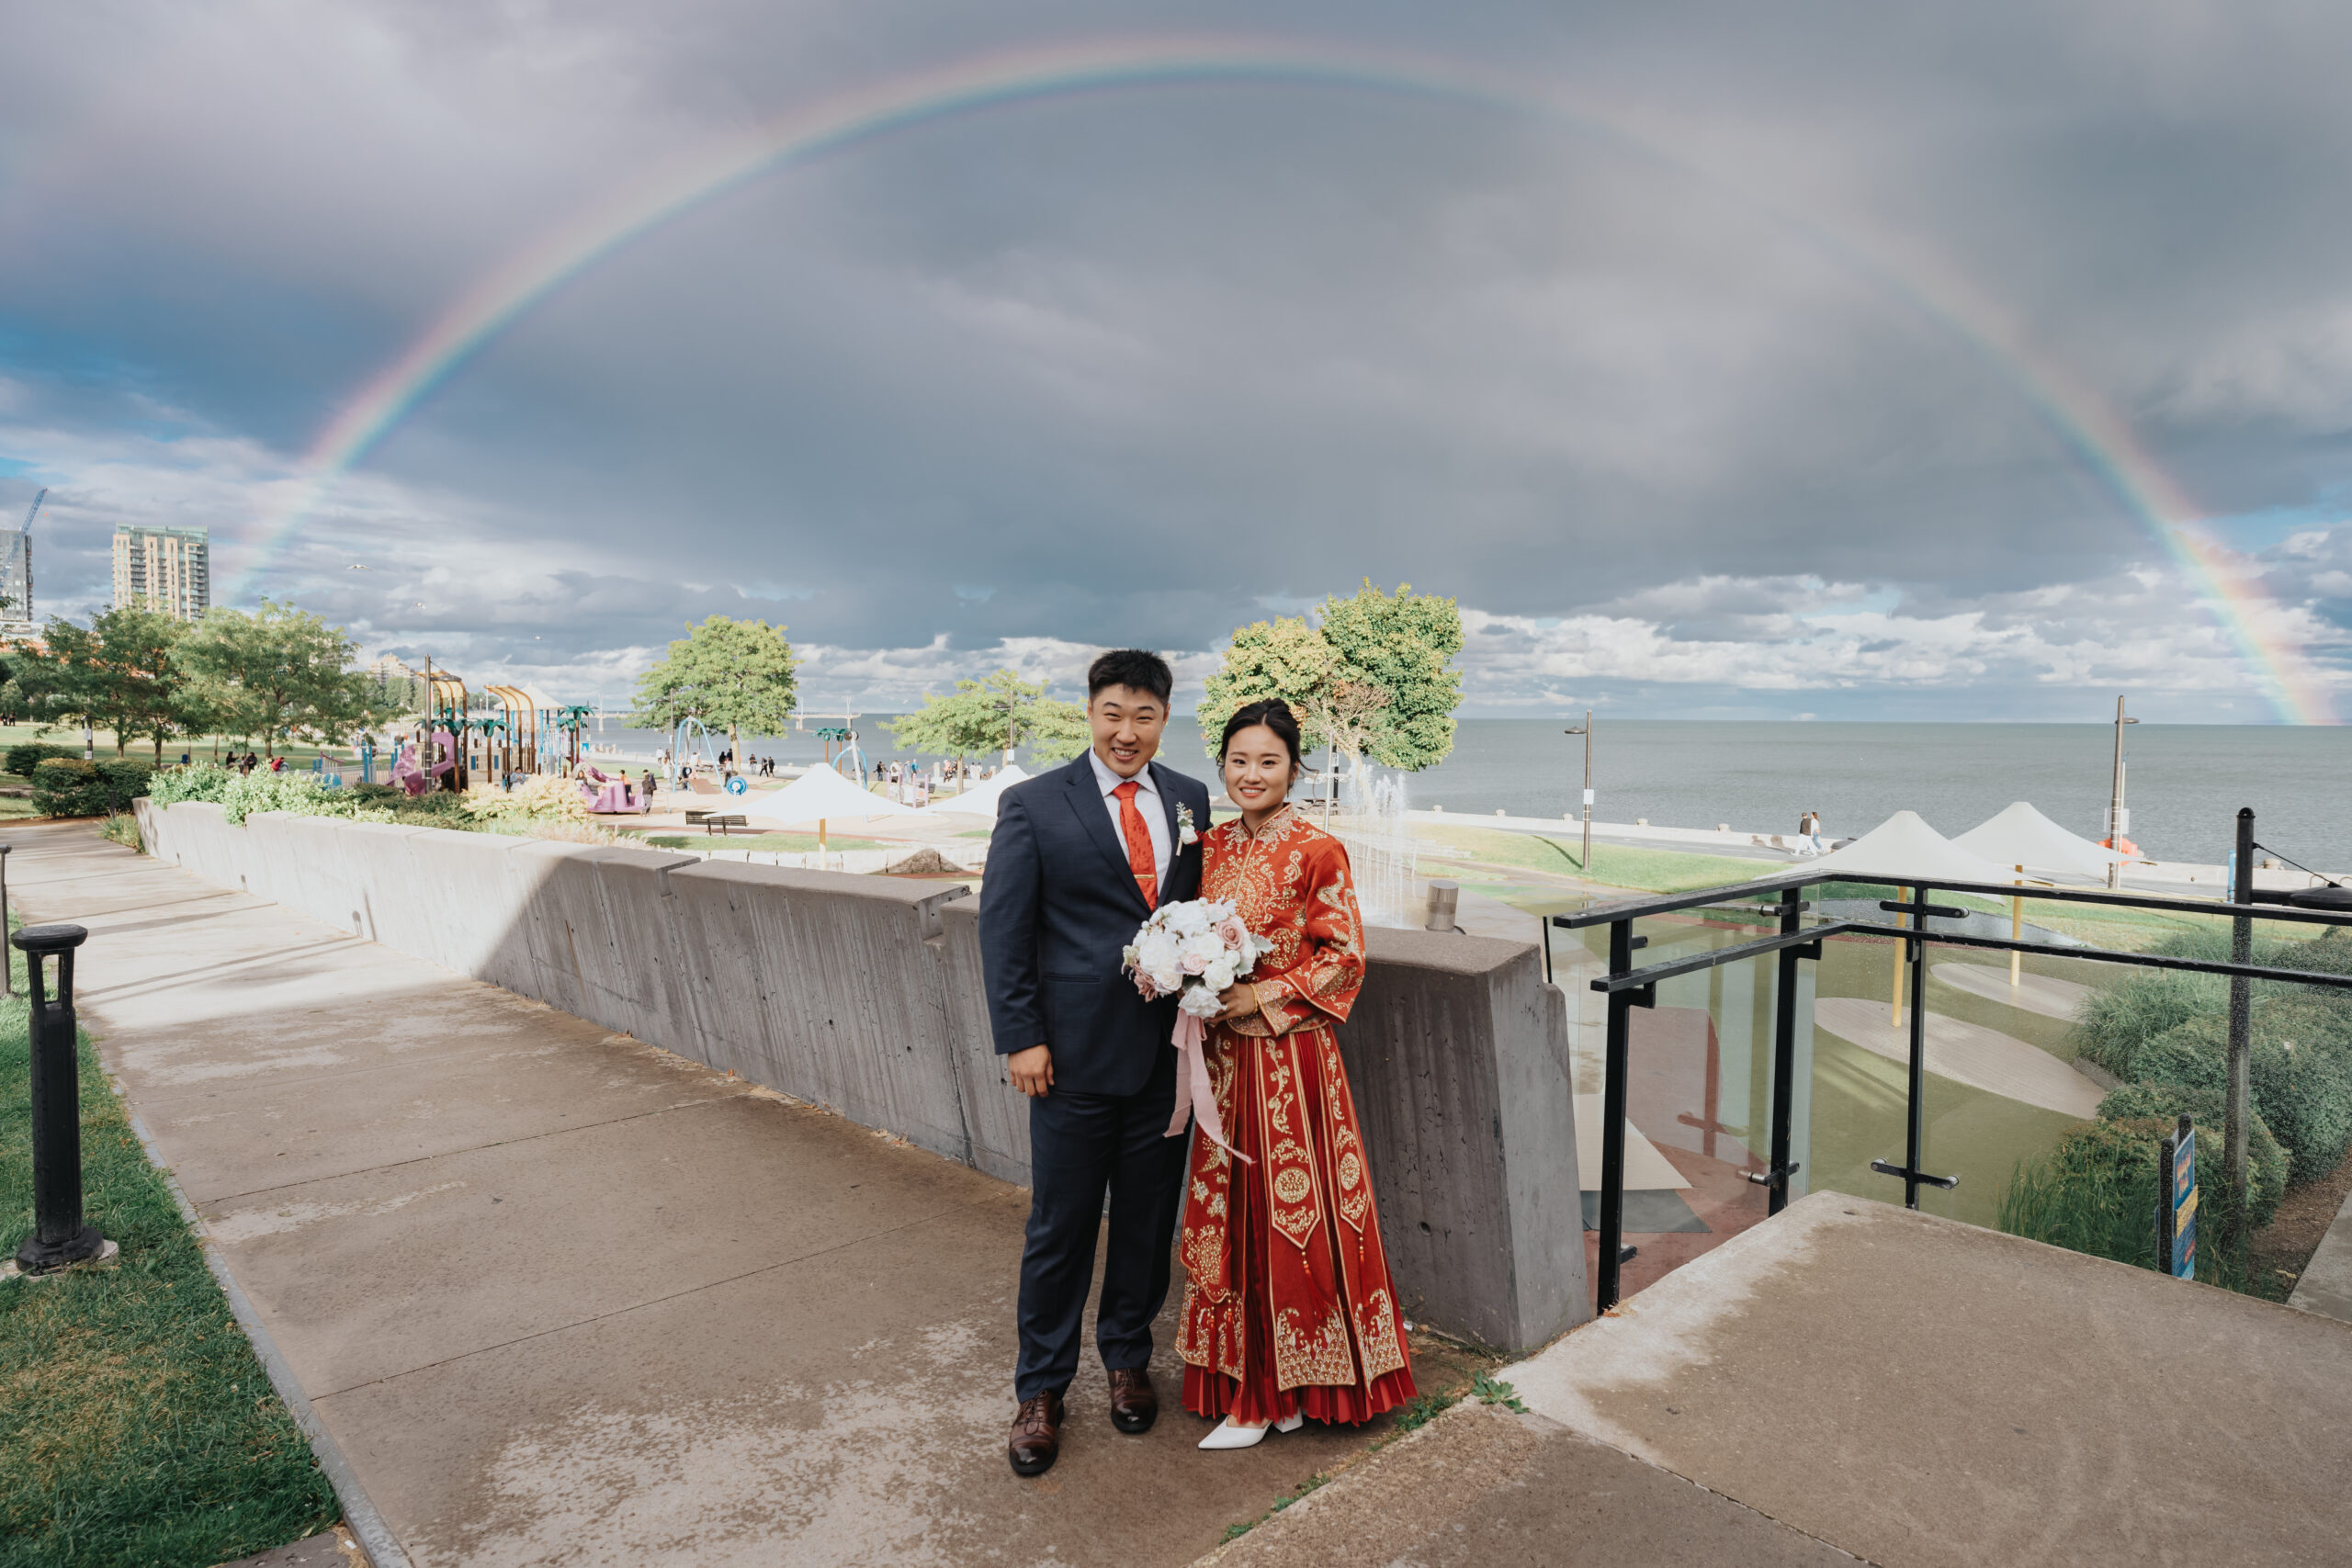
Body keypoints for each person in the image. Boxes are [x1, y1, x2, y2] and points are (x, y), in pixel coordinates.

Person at [980, 649, 1213, 1479]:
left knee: (1147, 1222)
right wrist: (1021, 1036)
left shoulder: (1189, 798)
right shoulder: (1034, 803)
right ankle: (1040, 1389)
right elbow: (1004, 927)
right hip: (1069, 1058)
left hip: (1164, 1057)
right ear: (1090, 711)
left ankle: (1126, 1357)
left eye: (1144, 715)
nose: (1127, 730)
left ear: (1164, 718)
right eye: (1113, 712)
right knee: (1061, 1227)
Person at [1178, 698, 1417, 1449]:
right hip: (1221, 1062)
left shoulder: (1318, 850)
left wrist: (1260, 994)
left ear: (1293, 767)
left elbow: (1345, 957)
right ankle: (1256, 1388)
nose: (1251, 774)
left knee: (1289, 1219)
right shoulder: (1210, 847)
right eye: (1239, 760)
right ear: (1222, 764)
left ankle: (1285, 1391)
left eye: (1268, 761)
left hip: (1291, 1065)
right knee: (1230, 1214)